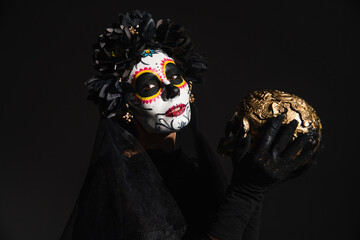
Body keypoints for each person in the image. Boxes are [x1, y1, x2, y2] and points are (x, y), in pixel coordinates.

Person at [60, 10, 320, 240]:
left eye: (174, 76)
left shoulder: (192, 170)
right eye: (149, 86)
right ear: (124, 105)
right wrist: (245, 193)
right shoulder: (120, 183)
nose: (171, 90)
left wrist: (257, 187)